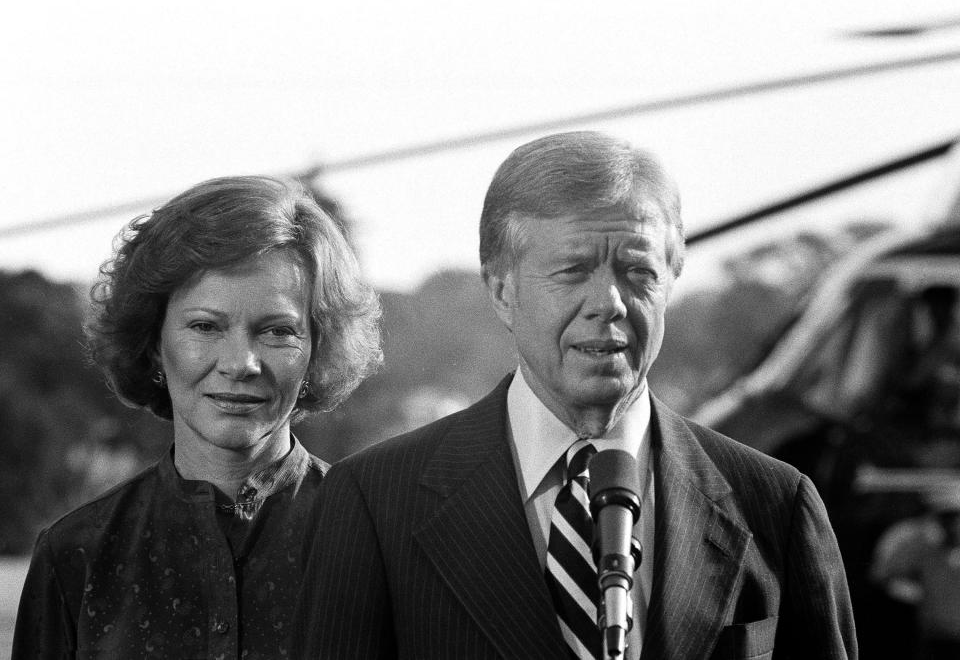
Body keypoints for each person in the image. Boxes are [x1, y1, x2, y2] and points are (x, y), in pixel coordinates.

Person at [293, 131, 857, 659]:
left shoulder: (776, 505)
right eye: (572, 270)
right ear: (501, 290)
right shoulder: (374, 499)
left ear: (672, 278)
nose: (608, 301)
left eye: (638, 270)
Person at [12, 175, 381, 658]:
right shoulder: (74, 556)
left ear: (318, 348)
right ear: (154, 343)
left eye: (276, 331)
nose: (240, 363)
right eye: (205, 326)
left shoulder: (379, 545)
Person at [871, 486, 960, 660]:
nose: (953, 524)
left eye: (955, 517)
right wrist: (925, 595)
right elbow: (884, 576)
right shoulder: (923, 548)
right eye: (947, 517)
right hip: (935, 635)